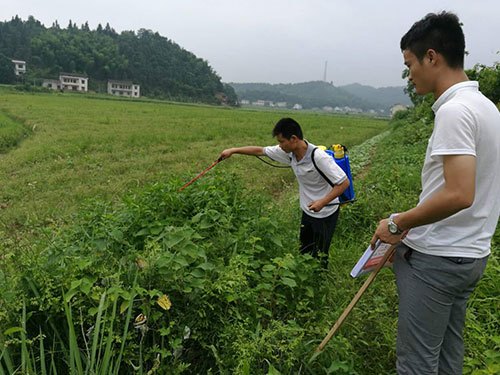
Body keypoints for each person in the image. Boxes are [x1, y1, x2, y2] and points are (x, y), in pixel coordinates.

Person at [370, 11, 500, 375]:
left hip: (437, 259)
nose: (409, 74)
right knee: (446, 356)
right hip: (470, 255)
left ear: (432, 56)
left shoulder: (454, 112)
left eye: (410, 63)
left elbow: (459, 193)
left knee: (416, 364)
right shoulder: (486, 108)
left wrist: (397, 224)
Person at [220, 117, 349, 266]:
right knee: (304, 250)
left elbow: (343, 183)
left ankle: (319, 281)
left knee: (320, 254)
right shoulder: (289, 153)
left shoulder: (319, 157)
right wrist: (233, 150)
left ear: (293, 139)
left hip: (326, 212)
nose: (279, 146)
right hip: (308, 210)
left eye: (281, 141)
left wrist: (322, 202)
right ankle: (304, 277)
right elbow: (260, 150)